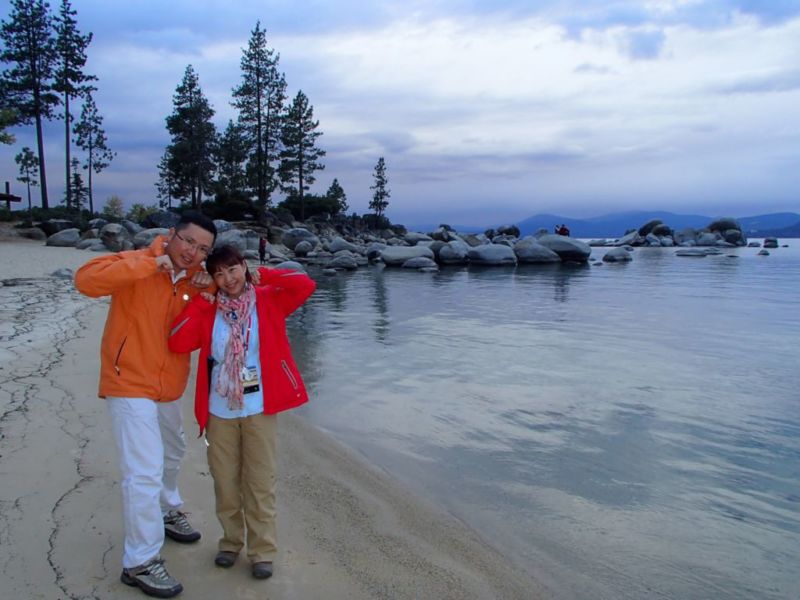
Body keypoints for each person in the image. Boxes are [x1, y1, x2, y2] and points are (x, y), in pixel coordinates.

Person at [74, 211, 218, 598]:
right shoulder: (136, 263)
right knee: (144, 470)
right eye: (189, 241)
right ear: (171, 235)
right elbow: (85, 280)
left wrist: (208, 292)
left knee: (173, 452)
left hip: (168, 386)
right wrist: (148, 263)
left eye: (203, 248)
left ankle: (167, 509)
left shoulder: (196, 280)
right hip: (128, 381)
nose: (193, 252)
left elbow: (204, 326)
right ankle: (140, 561)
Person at [168, 245, 316, 580]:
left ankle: (262, 551)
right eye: (218, 273)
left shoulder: (268, 298)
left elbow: (305, 285)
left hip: (260, 405)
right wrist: (201, 296)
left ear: (244, 267)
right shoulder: (209, 309)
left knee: (260, 480)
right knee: (225, 480)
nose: (227, 279)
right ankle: (230, 543)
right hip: (220, 408)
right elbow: (177, 342)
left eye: (232, 270)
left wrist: (269, 274)